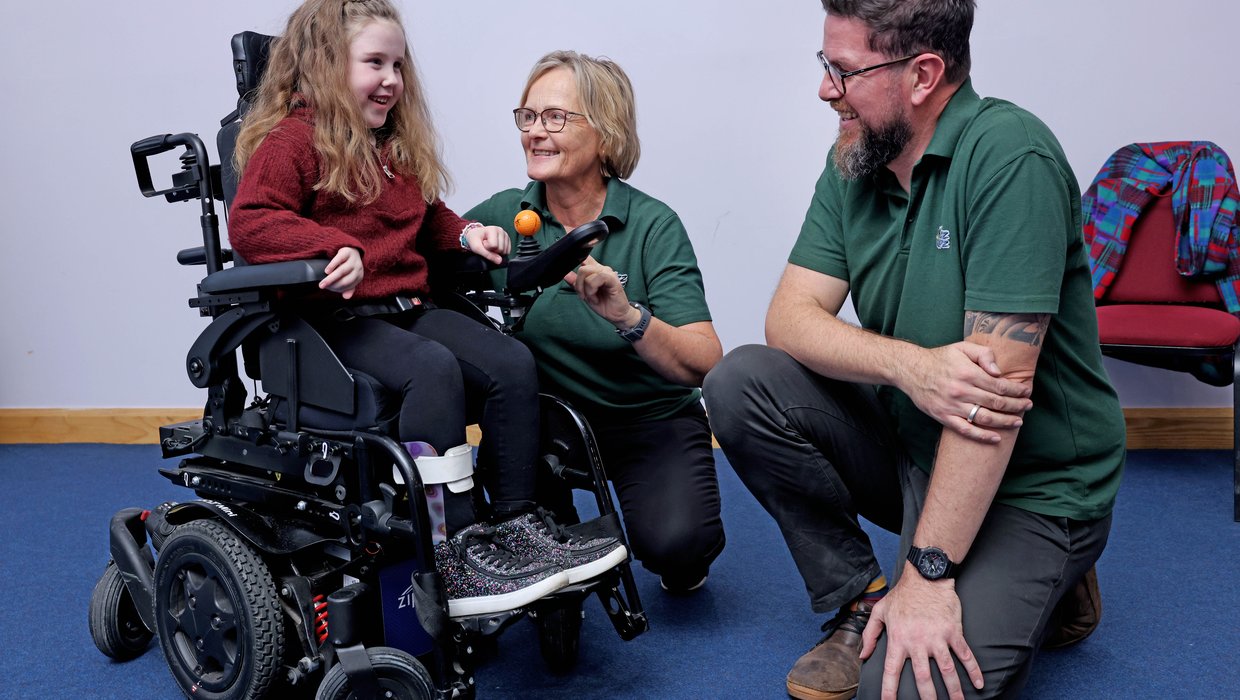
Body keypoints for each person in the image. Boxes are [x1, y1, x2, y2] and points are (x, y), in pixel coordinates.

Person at [702, 1, 1125, 698]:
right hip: (915, 445)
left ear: (923, 74)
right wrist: (914, 367)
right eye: (824, 66)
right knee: (741, 381)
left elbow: (990, 407)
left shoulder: (1010, 157)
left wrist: (928, 577)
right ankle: (862, 597)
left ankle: (1051, 572)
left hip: (1034, 484)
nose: (824, 89)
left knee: (891, 692)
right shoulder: (854, 158)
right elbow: (789, 319)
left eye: (842, 71)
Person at [227, 0, 623, 618]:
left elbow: (425, 217)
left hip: (408, 304)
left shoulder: (389, 146)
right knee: (434, 369)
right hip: (336, 323)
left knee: (510, 361)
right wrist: (329, 246)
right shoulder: (293, 141)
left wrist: (466, 234)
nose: (391, 79)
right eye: (374, 63)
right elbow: (251, 222)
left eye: (398, 65)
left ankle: (515, 526)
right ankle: (458, 548)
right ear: (326, 65)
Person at [466, 51, 726, 593]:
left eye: (555, 118)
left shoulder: (653, 224)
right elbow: (427, 250)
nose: (535, 132)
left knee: (678, 549)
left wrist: (625, 316)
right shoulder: (500, 215)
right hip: (549, 425)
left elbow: (704, 362)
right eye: (528, 117)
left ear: (605, 136)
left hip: (648, 419)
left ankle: (671, 541)